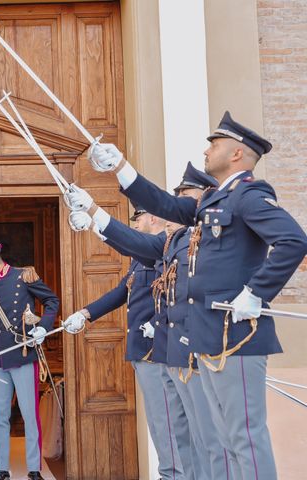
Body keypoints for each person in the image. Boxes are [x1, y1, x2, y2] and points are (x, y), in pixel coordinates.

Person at [86, 111, 307, 479]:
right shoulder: (212, 204)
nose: (207, 151)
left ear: (237, 154)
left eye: (215, 144)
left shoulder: (248, 196)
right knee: (222, 437)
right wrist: (121, 168)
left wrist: (256, 293)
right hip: (208, 336)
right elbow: (166, 205)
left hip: (236, 336)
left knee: (244, 438)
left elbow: (293, 241)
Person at [67, 163, 237, 479]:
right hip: (170, 352)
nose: (176, 208)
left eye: (185, 200)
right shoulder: (173, 243)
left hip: (200, 354)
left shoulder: (215, 238)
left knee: (206, 440)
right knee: (180, 436)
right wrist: (92, 213)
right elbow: (135, 249)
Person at [64, 201, 190, 480]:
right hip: (141, 349)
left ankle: (176, 476)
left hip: (157, 347)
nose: (133, 224)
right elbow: (123, 291)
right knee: (159, 423)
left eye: (137, 218)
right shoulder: (142, 255)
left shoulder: (164, 248)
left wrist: (157, 325)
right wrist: (85, 314)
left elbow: (173, 292)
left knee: (167, 420)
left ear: (152, 217)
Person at [0, 240, 59, 480]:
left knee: (30, 415)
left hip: (23, 356)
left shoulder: (24, 276)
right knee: (0, 417)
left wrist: (42, 327)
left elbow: (52, 301)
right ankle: (1, 469)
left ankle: (34, 469)